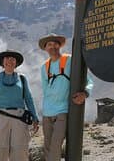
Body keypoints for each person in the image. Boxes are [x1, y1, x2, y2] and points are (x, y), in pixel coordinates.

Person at [39, 33, 93, 161]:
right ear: (45, 48)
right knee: (47, 147)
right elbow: (46, 91)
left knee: (56, 146)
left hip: (62, 112)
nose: (53, 46)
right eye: (49, 44)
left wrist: (85, 93)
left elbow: (88, 81)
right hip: (47, 113)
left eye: (55, 44)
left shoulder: (70, 60)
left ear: (60, 46)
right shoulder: (44, 67)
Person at [0, 50, 39, 161]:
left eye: (12, 59)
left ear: (16, 63)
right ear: (2, 62)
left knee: (20, 150)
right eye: (7, 58)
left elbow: (28, 99)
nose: (10, 61)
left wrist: (35, 117)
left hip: (19, 118)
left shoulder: (22, 79)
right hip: (0, 117)